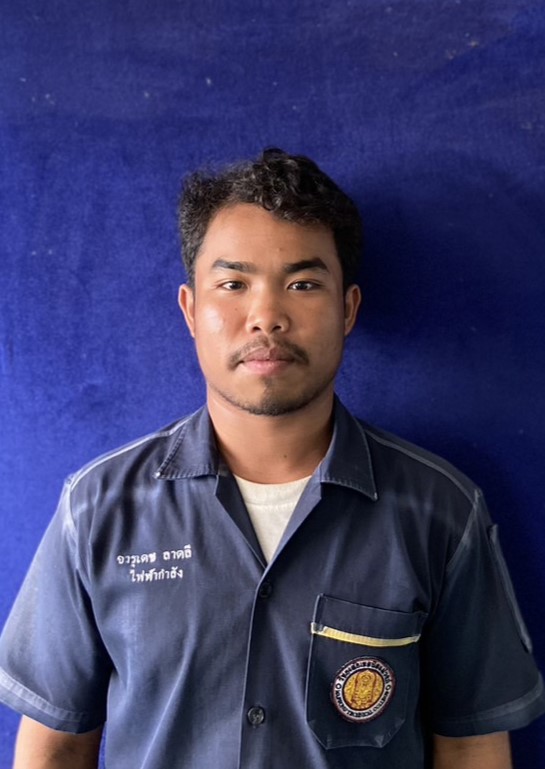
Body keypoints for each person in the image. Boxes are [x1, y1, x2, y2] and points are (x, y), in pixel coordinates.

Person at [0, 148, 543, 769]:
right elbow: (57, 745)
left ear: (348, 310)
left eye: (303, 284)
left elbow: (470, 745)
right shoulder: (99, 508)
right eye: (233, 284)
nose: (266, 317)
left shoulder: (440, 512)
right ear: (191, 310)